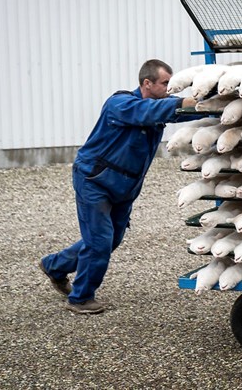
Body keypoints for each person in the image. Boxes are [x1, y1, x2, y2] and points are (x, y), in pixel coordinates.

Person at [40, 59, 198, 314]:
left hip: (124, 186)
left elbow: (176, 111)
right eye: (165, 83)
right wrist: (184, 103)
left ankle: (55, 266)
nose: (171, 88)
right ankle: (80, 298)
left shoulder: (156, 108)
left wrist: (215, 107)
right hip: (95, 181)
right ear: (147, 83)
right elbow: (151, 112)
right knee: (100, 241)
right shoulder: (120, 104)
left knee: (110, 239)